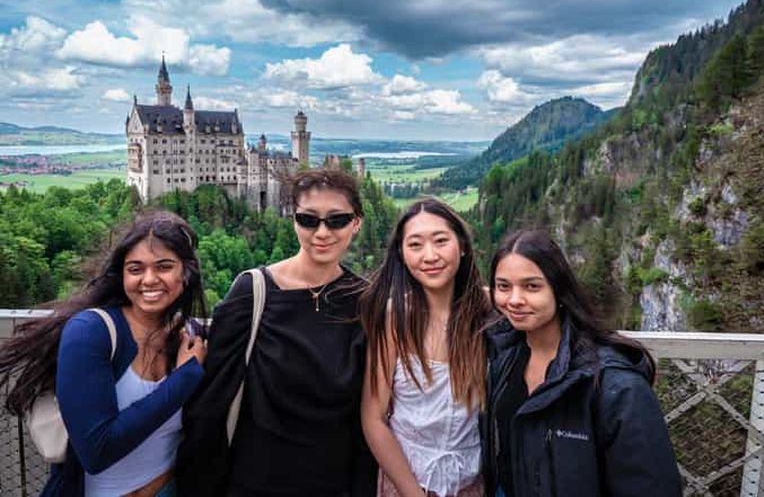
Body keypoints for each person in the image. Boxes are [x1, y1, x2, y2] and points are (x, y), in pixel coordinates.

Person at [177, 168, 377, 497]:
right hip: (255, 481)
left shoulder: (367, 301)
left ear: (356, 222)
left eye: (337, 220)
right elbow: (212, 402)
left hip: (333, 484)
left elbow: (367, 416)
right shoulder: (253, 291)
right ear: (293, 219)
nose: (322, 232)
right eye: (308, 220)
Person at [0, 210, 209, 497]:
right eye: (135, 269)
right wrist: (184, 379)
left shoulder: (190, 336)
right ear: (121, 274)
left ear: (185, 272)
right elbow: (97, 451)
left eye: (164, 266)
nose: (149, 279)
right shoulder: (92, 332)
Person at [483, 229, 682, 497]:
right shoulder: (504, 358)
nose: (514, 300)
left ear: (559, 289)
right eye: (503, 286)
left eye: (532, 286)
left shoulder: (614, 385)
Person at [361, 198, 491, 497]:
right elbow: (373, 417)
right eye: (415, 245)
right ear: (402, 255)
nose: (429, 255)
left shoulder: (489, 311)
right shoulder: (395, 318)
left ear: (462, 245)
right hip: (407, 482)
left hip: (473, 482)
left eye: (441, 241)